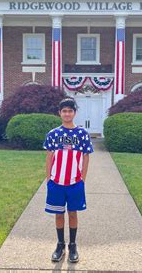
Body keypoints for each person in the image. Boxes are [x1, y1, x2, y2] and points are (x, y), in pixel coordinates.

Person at [42, 97, 94, 263]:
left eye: (70, 111)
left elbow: (86, 157)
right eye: (64, 111)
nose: (67, 113)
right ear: (59, 113)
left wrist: (83, 179)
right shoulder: (53, 134)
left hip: (74, 183)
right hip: (56, 182)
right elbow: (49, 156)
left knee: (73, 213)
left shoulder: (82, 134)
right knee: (58, 214)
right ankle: (60, 245)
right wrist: (49, 178)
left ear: (74, 113)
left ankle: (72, 245)